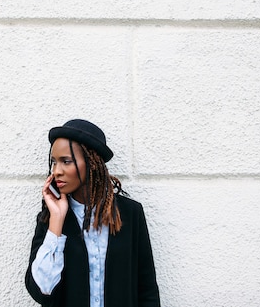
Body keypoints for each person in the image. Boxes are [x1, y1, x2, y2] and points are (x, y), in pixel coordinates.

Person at [25, 119, 160, 307]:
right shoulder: (50, 218)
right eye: (54, 162)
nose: (56, 171)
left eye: (66, 161)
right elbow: (42, 291)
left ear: (91, 163)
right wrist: (56, 221)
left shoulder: (130, 213)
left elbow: (147, 291)